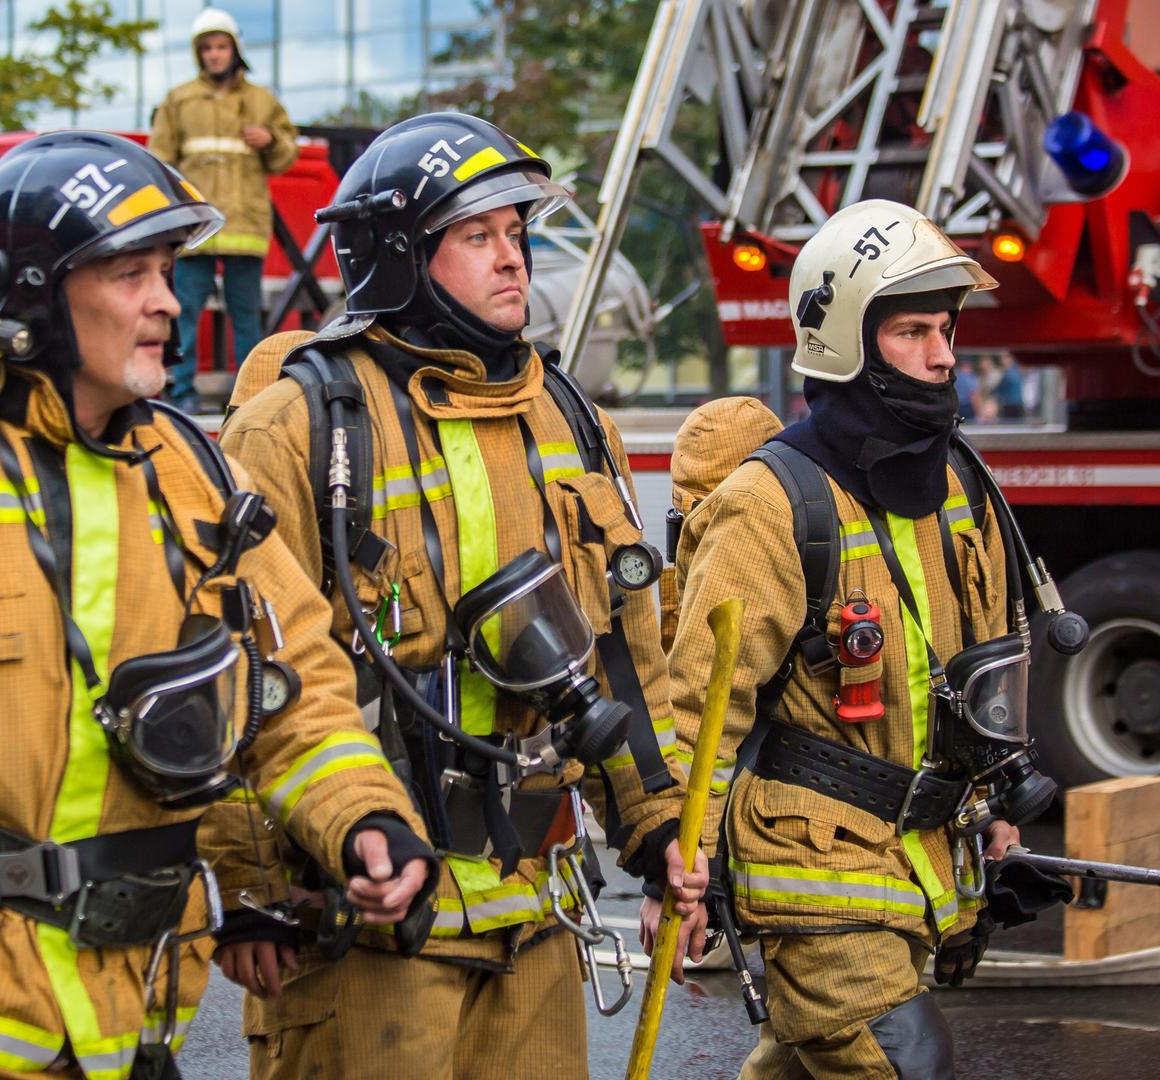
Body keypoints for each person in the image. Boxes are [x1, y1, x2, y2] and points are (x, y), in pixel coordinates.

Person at [0, 131, 435, 1078]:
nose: (166, 303)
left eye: (167, 270)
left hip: (136, 1029)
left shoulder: (190, 475)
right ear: (33, 293)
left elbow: (293, 683)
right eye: (128, 272)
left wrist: (364, 818)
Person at [216, 111, 705, 1078]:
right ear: (397, 259)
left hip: (534, 908)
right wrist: (249, 884)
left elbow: (626, 658)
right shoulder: (299, 425)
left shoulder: (571, 418)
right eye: (477, 237)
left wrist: (657, 835)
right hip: (372, 917)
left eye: (517, 235)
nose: (513, 260)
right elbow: (246, 668)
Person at [666, 199, 1031, 1078]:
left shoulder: (960, 486)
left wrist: (998, 807)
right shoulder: (771, 501)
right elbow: (701, 707)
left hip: (918, 858)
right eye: (912, 331)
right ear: (846, 343)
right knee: (902, 1065)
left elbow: (980, 675)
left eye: (946, 329)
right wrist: (681, 867)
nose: (944, 354)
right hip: (814, 867)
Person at [149, 7, 298, 409]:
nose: (214, 54)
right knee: (183, 313)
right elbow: (158, 161)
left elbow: (287, 155)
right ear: (199, 54)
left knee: (245, 316)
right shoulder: (179, 101)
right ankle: (182, 393)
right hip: (196, 228)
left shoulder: (261, 101)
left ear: (235, 49)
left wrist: (271, 140)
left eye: (221, 46)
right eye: (207, 48)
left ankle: (250, 393)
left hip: (245, 226)